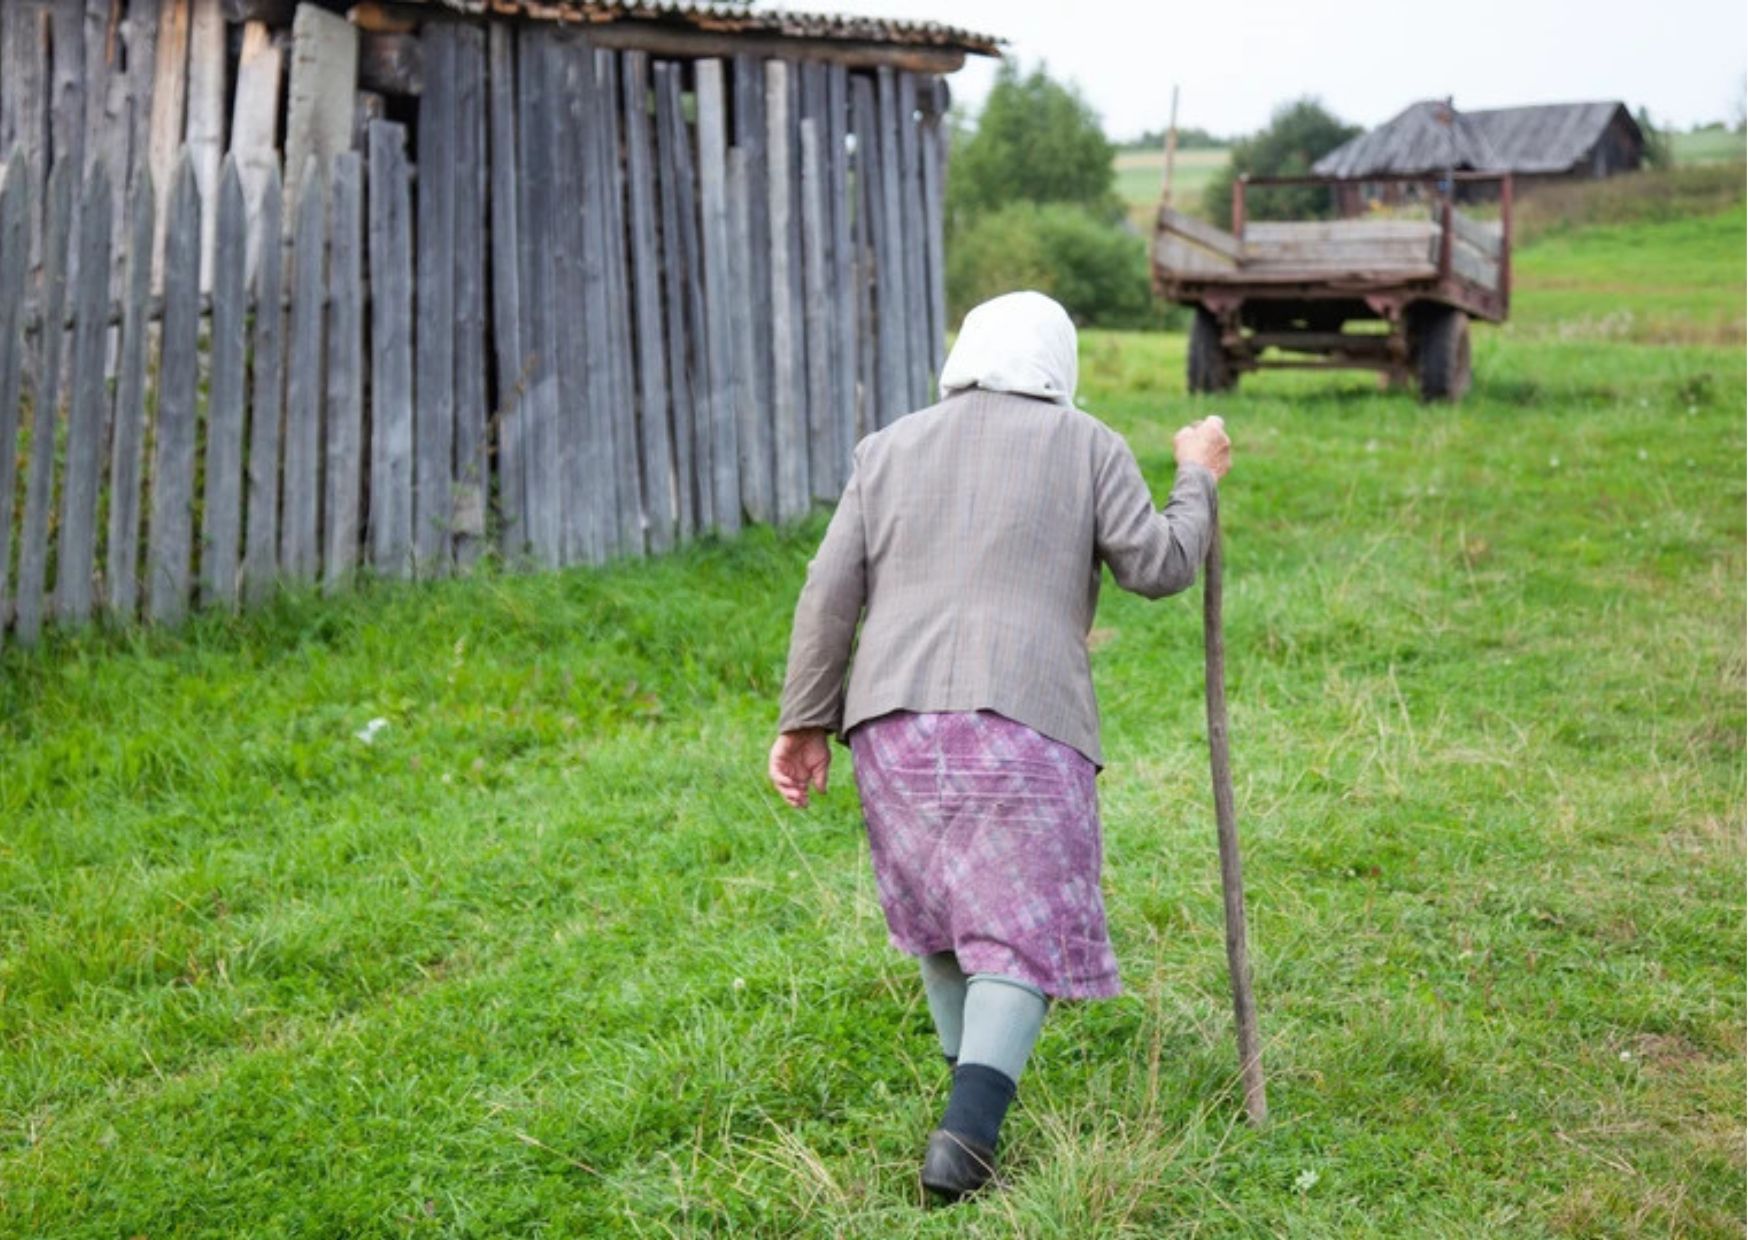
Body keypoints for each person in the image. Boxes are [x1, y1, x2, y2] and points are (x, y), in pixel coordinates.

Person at [768, 290, 1231, 1202]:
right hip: (1023, 723)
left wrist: (804, 721)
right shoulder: (1087, 443)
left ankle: (962, 1098)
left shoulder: (888, 448)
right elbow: (1159, 565)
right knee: (1015, 933)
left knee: (943, 914)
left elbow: (828, 592)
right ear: (1059, 367)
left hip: (889, 724)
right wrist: (1197, 477)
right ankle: (968, 1136)